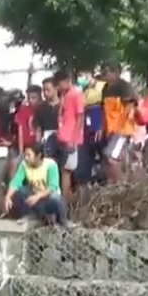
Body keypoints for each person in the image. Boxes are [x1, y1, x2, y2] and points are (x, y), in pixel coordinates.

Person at [3, 144, 70, 227]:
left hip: (48, 198)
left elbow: (52, 187)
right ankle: (30, 215)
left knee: (57, 198)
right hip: (34, 196)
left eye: (29, 155)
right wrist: (8, 197)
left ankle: (63, 221)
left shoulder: (50, 165)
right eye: (25, 155)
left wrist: (38, 196)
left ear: (38, 156)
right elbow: (16, 182)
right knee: (18, 192)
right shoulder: (24, 165)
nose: (26, 158)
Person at [99, 61, 136, 183]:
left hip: (122, 129)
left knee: (111, 157)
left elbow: (129, 107)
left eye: (106, 71)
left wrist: (119, 126)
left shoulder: (124, 86)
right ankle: (113, 184)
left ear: (115, 72)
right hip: (110, 129)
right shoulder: (105, 88)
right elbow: (104, 110)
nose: (103, 73)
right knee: (111, 159)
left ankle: (121, 185)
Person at [53, 69, 84, 200]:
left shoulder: (76, 94)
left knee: (67, 171)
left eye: (59, 84)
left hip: (71, 139)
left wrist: (73, 139)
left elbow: (80, 117)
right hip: (63, 137)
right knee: (64, 170)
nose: (58, 87)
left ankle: (65, 201)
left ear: (67, 81)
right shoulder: (64, 96)